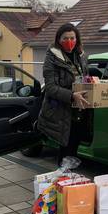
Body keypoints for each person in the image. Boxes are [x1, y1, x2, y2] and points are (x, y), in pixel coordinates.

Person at [38, 23, 90, 165]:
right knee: (65, 150)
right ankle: (62, 181)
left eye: (72, 38)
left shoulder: (81, 56)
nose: (69, 42)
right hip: (63, 112)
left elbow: (85, 76)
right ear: (58, 40)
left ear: (77, 39)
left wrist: (92, 82)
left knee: (74, 148)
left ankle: (70, 182)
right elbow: (50, 87)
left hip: (80, 110)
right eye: (65, 38)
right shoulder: (52, 57)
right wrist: (72, 95)